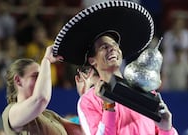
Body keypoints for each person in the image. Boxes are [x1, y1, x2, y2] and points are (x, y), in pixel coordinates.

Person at [52, 1, 178, 134]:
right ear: (92, 60)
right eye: (104, 47)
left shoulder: (146, 92)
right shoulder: (88, 101)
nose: (112, 48)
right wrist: (108, 107)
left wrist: (167, 128)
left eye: (114, 45)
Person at [2, 45, 83, 135]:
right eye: (36, 76)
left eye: (41, 76)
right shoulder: (10, 113)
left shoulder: (49, 115)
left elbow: (84, 131)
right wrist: (46, 60)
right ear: (18, 80)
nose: (41, 80)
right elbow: (41, 99)